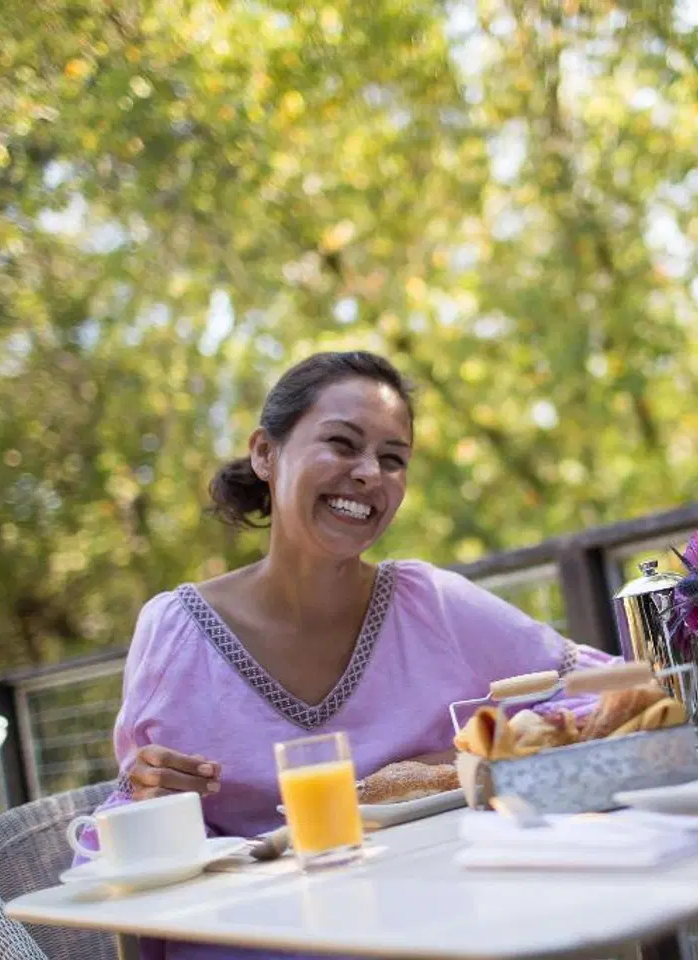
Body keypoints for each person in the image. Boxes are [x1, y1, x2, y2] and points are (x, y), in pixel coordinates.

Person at [92, 351, 614, 960]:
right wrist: (145, 793)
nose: (370, 473)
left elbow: (606, 693)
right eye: (343, 444)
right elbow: (132, 822)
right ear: (266, 453)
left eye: (393, 459)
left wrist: (470, 748)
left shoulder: (433, 605)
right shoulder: (177, 632)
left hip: (435, 930)